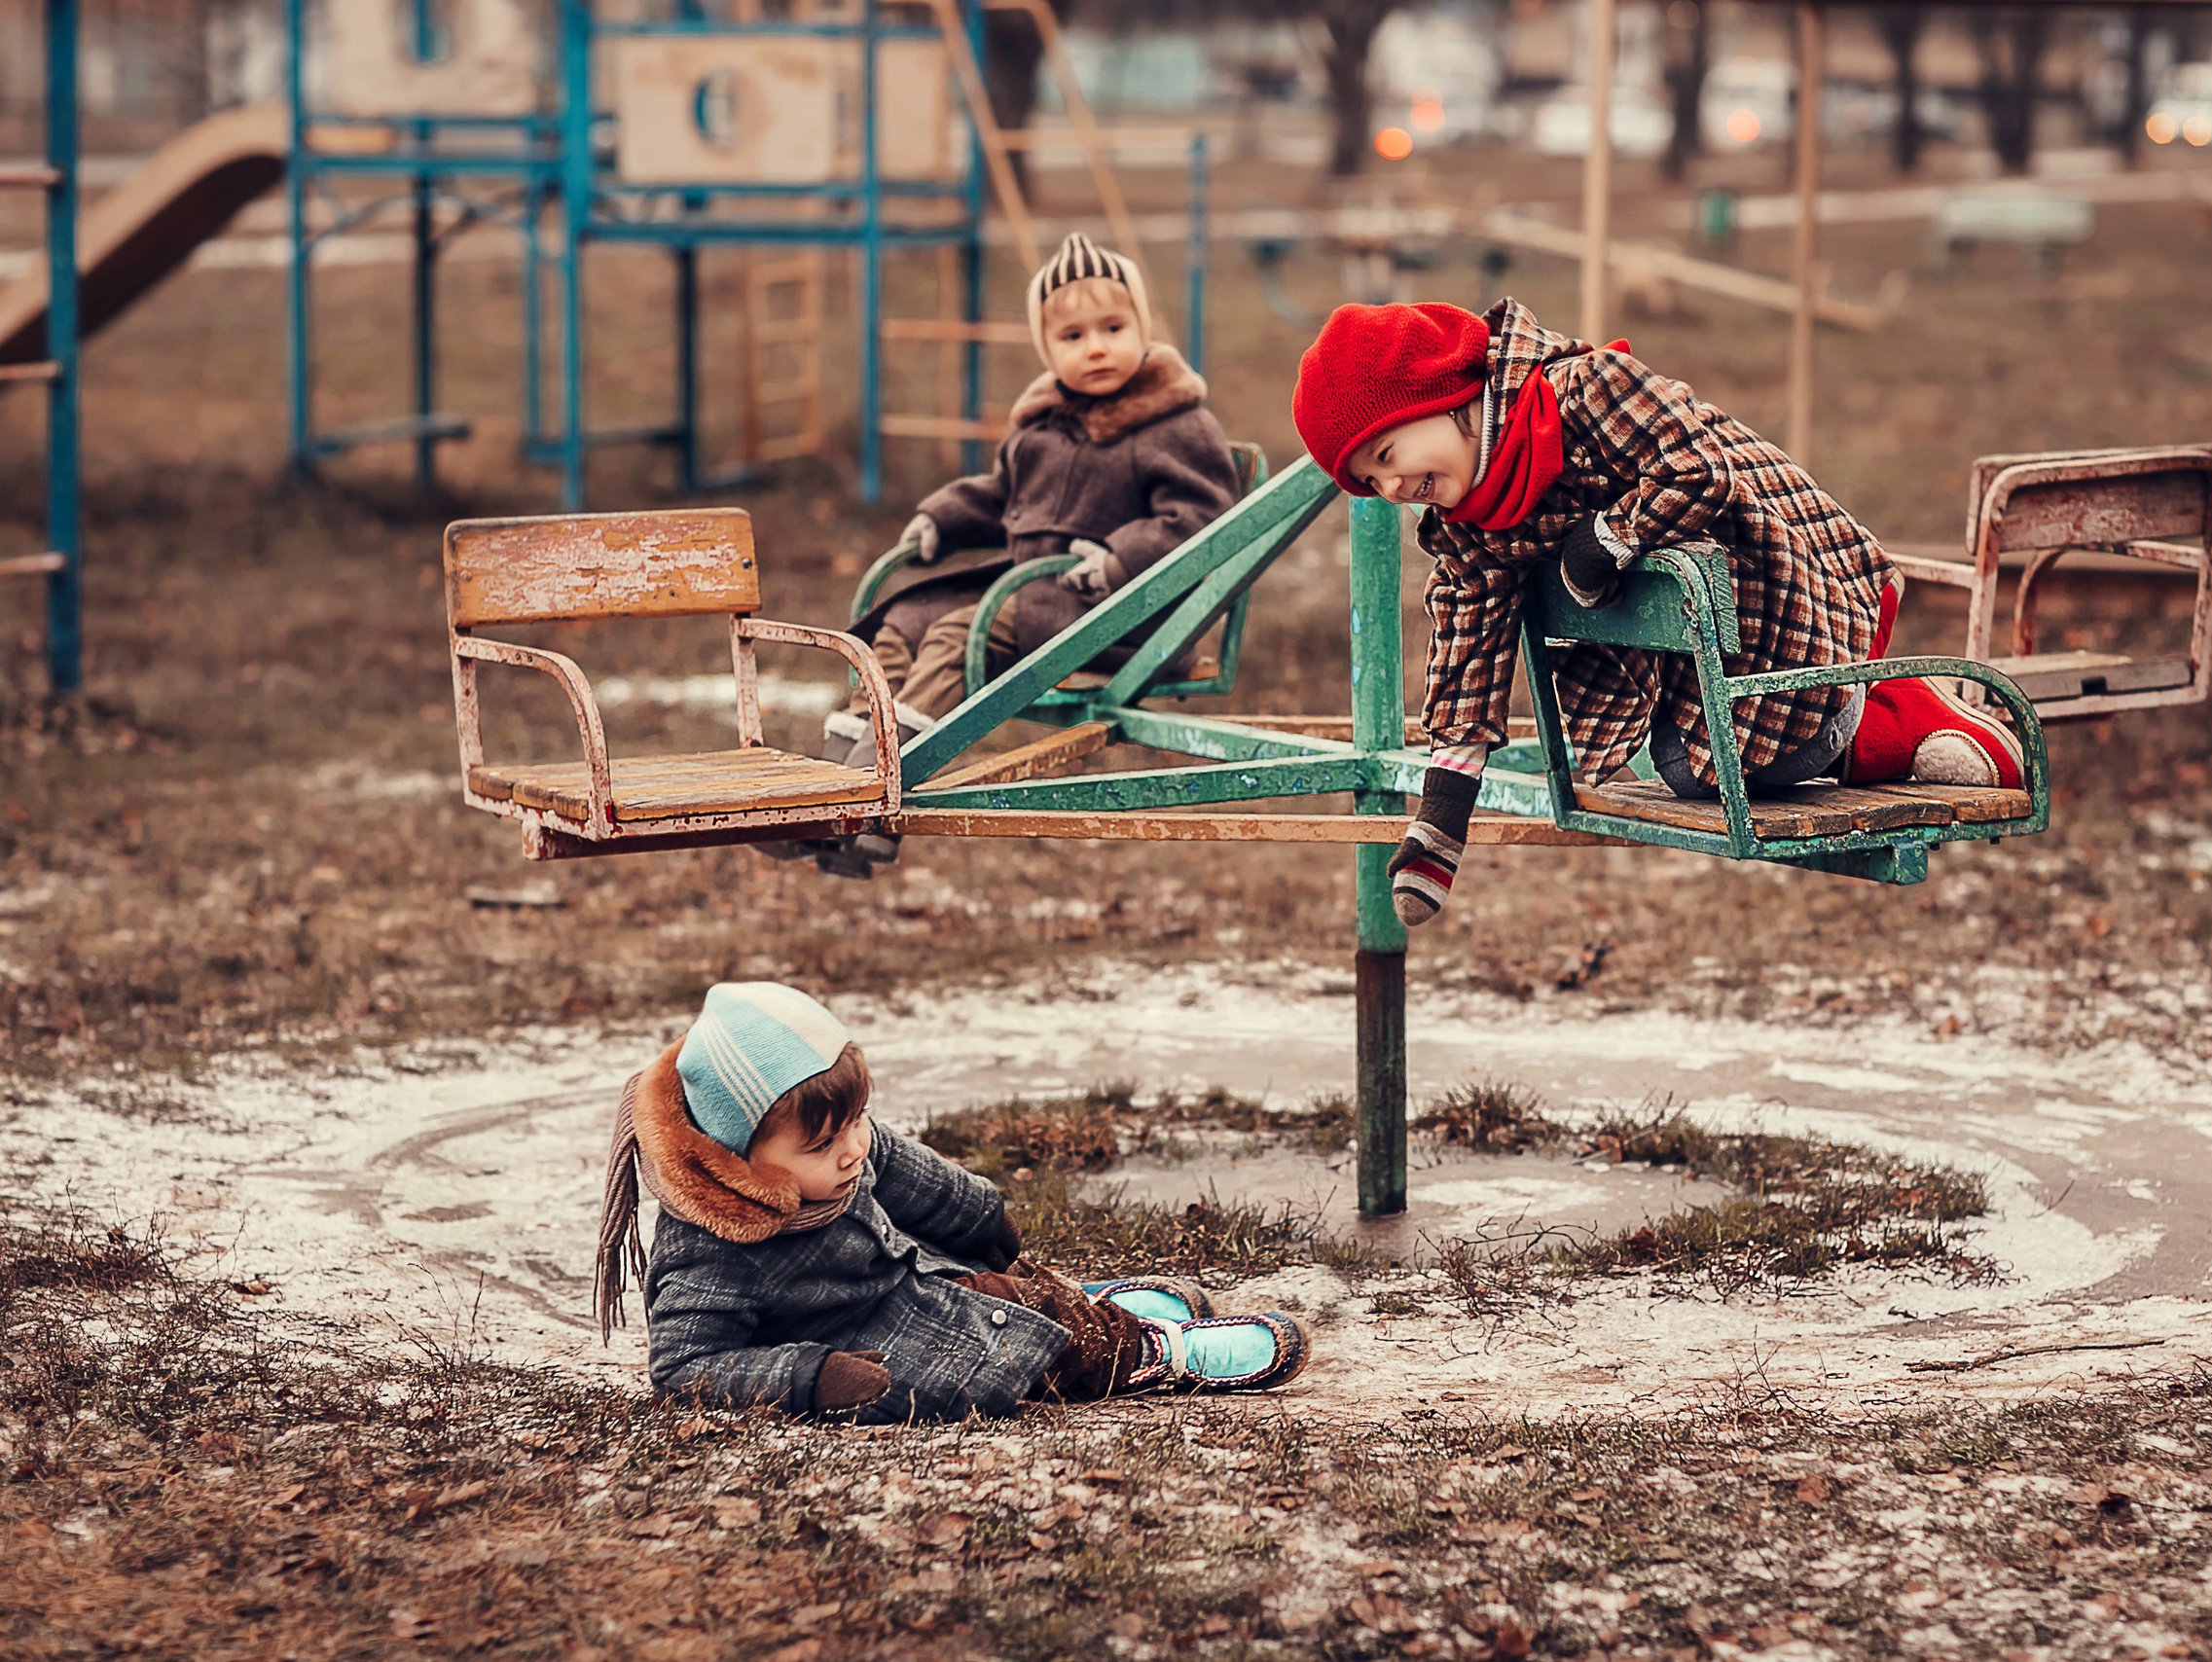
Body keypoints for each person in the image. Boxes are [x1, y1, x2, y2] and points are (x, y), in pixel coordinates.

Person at [1289, 298, 2025, 928]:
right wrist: (1441, 823)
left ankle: (1894, 710)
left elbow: (1700, 467)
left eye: (1386, 452)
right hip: (1684, 654)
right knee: (1684, 770)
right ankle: (1864, 715)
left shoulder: (1584, 394)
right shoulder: (1470, 528)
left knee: (1758, 761)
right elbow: (1467, 659)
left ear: (1442, 397)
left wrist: (1608, 538)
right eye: (1368, 481)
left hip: (1778, 583)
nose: (1390, 486)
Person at [592, 982, 1311, 1422]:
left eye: (855, 1123)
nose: (851, 1150)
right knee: (1028, 1352)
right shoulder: (714, 1245)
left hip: (921, 1273)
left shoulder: (841, 1145)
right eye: (821, 1146)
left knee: (1007, 1290)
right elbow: (686, 1367)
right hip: (879, 1347)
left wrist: (975, 1211)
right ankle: (1151, 1351)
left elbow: (902, 1168)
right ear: (738, 1158)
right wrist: (809, 1378)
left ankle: (1096, 1304)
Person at [782, 233, 1239, 879]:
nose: (1098, 347)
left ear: (1144, 325)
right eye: (1073, 337)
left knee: (956, 632)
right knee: (897, 629)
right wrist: (939, 518)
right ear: (1046, 349)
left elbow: (1204, 520)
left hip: (1122, 615)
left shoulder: (1171, 424)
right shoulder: (1043, 425)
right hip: (1039, 600)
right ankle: (835, 790)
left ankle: (872, 798)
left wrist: (1118, 558)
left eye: (1114, 326)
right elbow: (1000, 494)